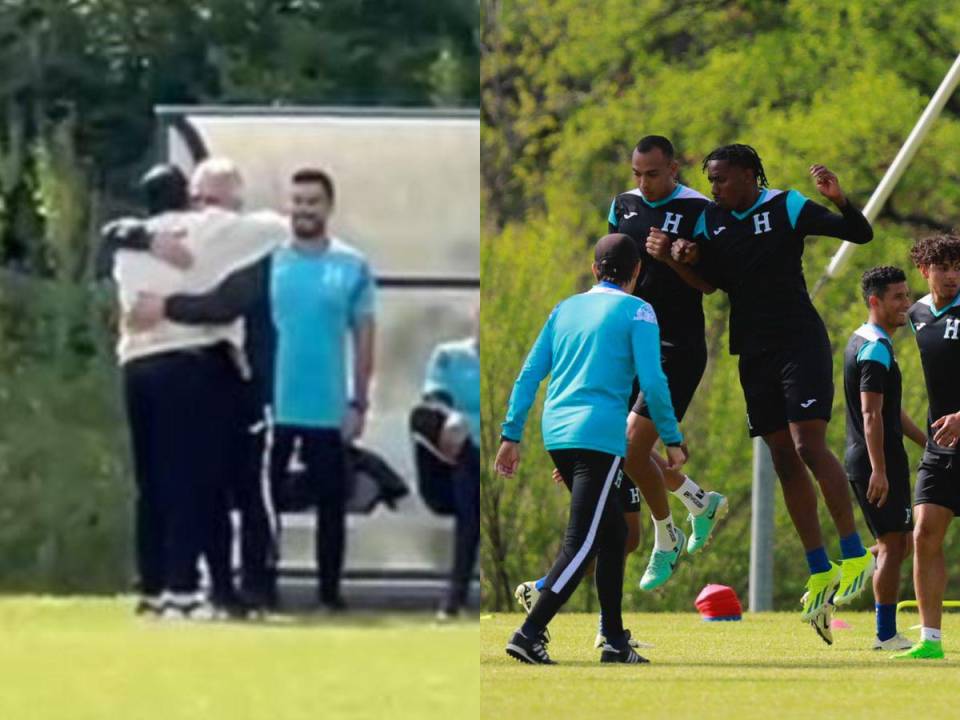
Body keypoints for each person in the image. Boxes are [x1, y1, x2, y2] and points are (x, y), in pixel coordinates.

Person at [515, 136, 725, 649]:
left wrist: (676, 259)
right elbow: (617, 263)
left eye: (652, 173)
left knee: (631, 448)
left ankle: (670, 532)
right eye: (636, 173)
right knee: (616, 528)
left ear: (673, 168)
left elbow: (710, 284)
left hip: (672, 345)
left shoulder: (699, 208)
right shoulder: (622, 207)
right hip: (628, 339)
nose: (642, 183)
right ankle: (694, 503)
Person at [671, 144, 875, 634]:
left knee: (808, 444)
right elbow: (711, 283)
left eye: (721, 179)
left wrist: (840, 199)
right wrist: (685, 258)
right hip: (753, 351)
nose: (714, 188)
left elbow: (859, 234)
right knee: (782, 456)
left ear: (747, 175)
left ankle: (853, 553)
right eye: (711, 181)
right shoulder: (711, 221)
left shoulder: (786, 205)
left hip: (798, 341)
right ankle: (820, 566)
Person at [496, 233, 686, 665]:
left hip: (557, 433)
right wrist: (672, 438)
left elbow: (529, 375)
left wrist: (511, 435)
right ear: (637, 272)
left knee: (615, 533)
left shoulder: (564, 309)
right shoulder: (638, 309)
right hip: (598, 435)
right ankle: (529, 633)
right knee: (580, 542)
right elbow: (653, 381)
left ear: (595, 268)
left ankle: (616, 642)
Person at [113, 164, 280, 618]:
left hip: (136, 364)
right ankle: (185, 589)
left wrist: (139, 237)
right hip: (192, 363)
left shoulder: (126, 248)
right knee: (190, 480)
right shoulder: (213, 230)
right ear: (189, 195)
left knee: (151, 484)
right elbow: (276, 228)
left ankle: (152, 586)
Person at [843, 266, 925, 650]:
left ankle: (850, 565)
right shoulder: (874, 349)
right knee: (893, 546)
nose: (906, 305)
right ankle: (886, 634)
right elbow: (871, 414)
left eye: (907, 296)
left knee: (898, 543)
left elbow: (891, 411)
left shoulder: (869, 341)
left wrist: (927, 442)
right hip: (876, 463)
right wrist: (879, 469)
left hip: (880, 459)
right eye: (897, 298)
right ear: (875, 301)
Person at [894, 234, 960, 660]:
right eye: (943, 267)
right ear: (925, 270)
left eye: (958, 267)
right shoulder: (915, 312)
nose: (952, 275)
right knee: (923, 534)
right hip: (941, 447)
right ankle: (930, 642)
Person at [421, 307, 480, 620]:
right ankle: (453, 599)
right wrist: (450, 418)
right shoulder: (449, 356)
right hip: (464, 448)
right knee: (469, 522)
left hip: (504, 447)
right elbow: (433, 395)